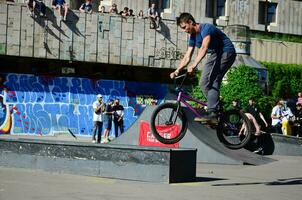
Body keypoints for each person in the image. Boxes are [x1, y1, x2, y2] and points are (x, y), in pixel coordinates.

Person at [170, 12, 236, 124]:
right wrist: (177, 70)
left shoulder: (206, 28)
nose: (185, 30)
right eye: (182, 29)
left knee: (214, 79)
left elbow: (204, 47)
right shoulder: (193, 37)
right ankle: (215, 106)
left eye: (185, 27)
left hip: (226, 52)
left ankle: (213, 112)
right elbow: (187, 56)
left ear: (191, 22)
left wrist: (194, 64)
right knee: (203, 82)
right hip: (215, 54)